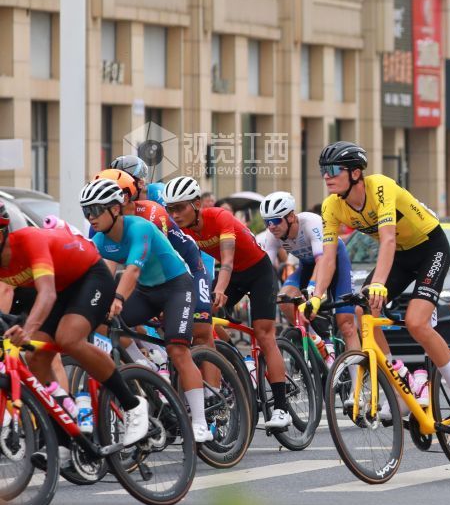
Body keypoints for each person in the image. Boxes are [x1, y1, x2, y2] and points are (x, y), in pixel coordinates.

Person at [317, 141, 450, 436]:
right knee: (361, 309)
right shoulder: (331, 206)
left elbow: (388, 239)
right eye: (323, 171)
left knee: (416, 322)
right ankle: (398, 378)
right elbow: (328, 257)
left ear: (355, 173)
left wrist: (378, 282)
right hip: (402, 257)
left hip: (430, 247)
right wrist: (315, 297)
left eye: (333, 169)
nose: (326, 176)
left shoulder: (379, 187)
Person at [0, 201, 150, 450]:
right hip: (61, 289)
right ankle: (63, 430)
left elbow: (46, 294)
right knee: (35, 356)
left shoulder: (28, 241)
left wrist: (26, 330)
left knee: (69, 338)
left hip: (89, 276)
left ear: (4, 232)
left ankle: (132, 404)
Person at [81, 180, 213, 443]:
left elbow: (133, 270)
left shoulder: (139, 227)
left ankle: (200, 422)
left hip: (177, 286)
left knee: (177, 349)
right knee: (101, 323)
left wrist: (117, 297)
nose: (91, 217)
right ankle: (142, 363)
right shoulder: (99, 241)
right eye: (86, 211)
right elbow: (87, 275)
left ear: (116, 209)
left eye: (96, 210)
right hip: (147, 291)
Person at [162, 175, 293, 431]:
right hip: (231, 276)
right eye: (170, 209)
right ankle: (234, 358)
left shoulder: (219, 217)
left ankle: (281, 408)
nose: (175, 215)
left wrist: (220, 290)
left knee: (264, 335)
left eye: (180, 207)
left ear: (197, 203)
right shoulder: (182, 230)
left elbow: (228, 261)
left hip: (257, 273)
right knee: (204, 317)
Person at [258, 191, 359, 353]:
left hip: (334, 261)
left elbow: (323, 261)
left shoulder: (311, 223)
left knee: (346, 324)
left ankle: (356, 377)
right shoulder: (272, 235)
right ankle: (318, 341)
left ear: (291, 217)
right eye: (267, 222)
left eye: (276, 220)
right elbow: (264, 268)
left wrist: (313, 286)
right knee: (285, 300)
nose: (271, 226)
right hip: (307, 266)